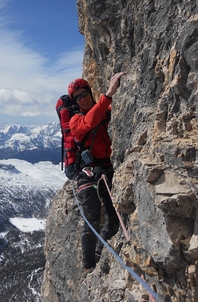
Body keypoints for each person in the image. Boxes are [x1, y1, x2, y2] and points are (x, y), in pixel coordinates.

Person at [68, 72, 126, 274]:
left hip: (108, 168)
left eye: (84, 94)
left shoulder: (105, 110)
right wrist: (109, 93)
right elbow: (90, 122)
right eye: (77, 97)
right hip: (88, 172)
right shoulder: (75, 121)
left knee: (113, 218)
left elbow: (100, 116)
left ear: (90, 93)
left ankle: (100, 250)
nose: (82, 98)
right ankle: (88, 265)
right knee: (91, 217)